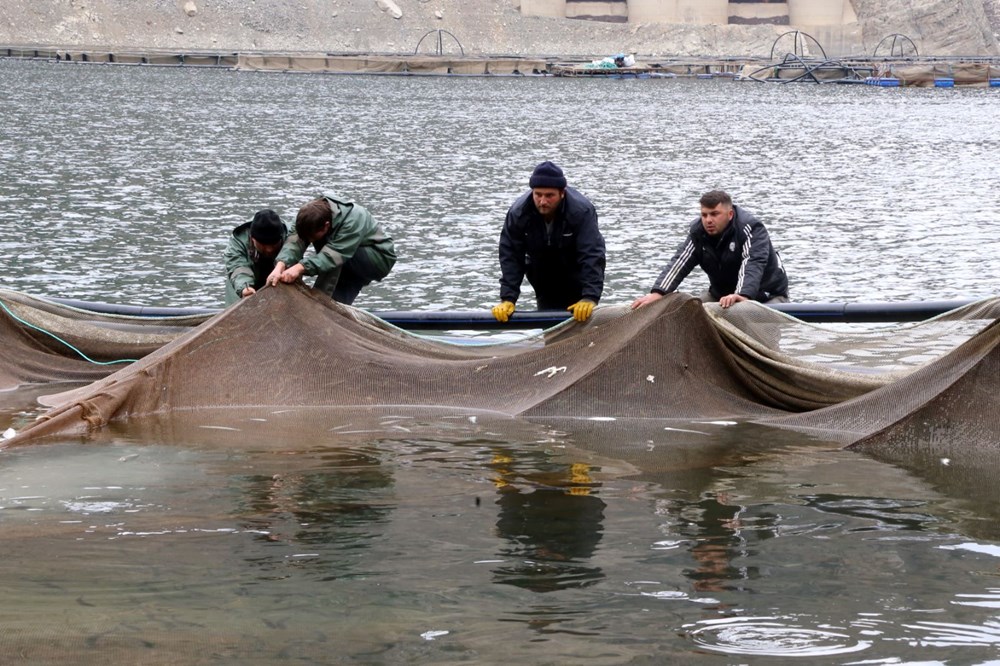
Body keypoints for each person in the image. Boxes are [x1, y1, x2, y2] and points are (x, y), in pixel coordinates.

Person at [631, 190, 788, 310]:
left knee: (756, 330)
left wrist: (742, 295)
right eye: (704, 215)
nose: (708, 220)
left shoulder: (751, 228)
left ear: (730, 214)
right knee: (690, 313)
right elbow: (679, 262)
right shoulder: (698, 232)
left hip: (767, 295)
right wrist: (658, 292)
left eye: (714, 214)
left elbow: (753, 263)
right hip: (721, 295)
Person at [492, 161, 606, 323]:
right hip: (543, 276)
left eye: (549, 195)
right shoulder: (518, 213)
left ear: (562, 193)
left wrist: (590, 296)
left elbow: (592, 254)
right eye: (538, 194)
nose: (543, 201)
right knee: (551, 328)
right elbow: (510, 255)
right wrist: (508, 298)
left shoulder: (581, 211)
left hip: (576, 274)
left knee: (580, 327)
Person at [266, 193, 396, 305]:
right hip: (346, 264)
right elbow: (294, 242)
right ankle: (329, 305)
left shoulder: (353, 219)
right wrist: (280, 266)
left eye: (312, 238)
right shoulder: (306, 216)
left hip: (378, 259)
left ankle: (321, 302)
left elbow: (333, 255)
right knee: (337, 302)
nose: (311, 242)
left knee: (331, 253)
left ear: (326, 226)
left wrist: (299, 268)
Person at [223, 209, 288, 306]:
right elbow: (237, 266)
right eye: (263, 245)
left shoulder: (289, 236)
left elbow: (293, 254)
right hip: (241, 287)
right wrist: (245, 288)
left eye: (273, 245)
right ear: (252, 239)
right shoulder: (238, 241)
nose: (269, 250)